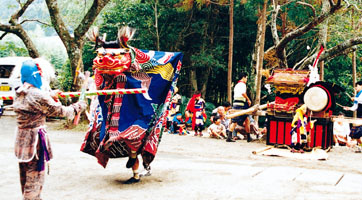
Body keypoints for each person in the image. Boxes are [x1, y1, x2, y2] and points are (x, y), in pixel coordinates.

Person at [13, 60, 87, 199]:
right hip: (34, 142)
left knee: (26, 178)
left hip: (22, 140)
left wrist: (50, 93)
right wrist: (79, 106)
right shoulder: (38, 95)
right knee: (34, 178)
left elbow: (36, 98)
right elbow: (61, 111)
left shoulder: (18, 91)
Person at [226, 72, 252, 142]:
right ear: (243, 77)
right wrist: (248, 99)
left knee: (245, 119)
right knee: (236, 121)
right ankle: (247, 136)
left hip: (235, 103)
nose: (246, 79)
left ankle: (248, 137)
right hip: (241, 104)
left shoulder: (237, 85)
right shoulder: (242, 84)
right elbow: (243, 93)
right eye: (246, 78)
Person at [344, 81, 362, 145]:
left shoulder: (359, 96)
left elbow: (360, 100)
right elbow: (355, 107)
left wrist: (355, 99)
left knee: (358, 132)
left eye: (357, 86)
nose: (355, 87)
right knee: (356, 134)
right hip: (359, 115)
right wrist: (349, 108)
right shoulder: (358, 95)